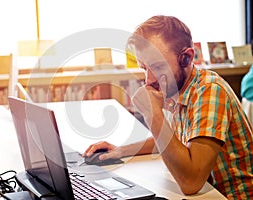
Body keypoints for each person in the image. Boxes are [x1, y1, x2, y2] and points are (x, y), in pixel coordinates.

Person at [83, 15, 253, 199]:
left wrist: (152, 113)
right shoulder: (176, 87)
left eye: (157, 66)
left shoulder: (209, 91)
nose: (149, 80)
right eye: (144, 68)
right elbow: (170, 139)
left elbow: (191, 182)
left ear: (186, 58)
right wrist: (121, 150)